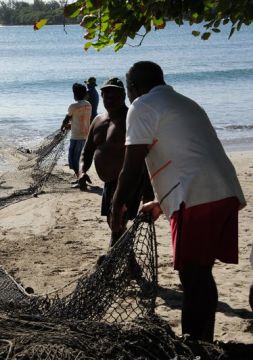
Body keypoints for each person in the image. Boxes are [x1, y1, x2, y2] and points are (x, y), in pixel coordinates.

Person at [110, 61, 246, 342]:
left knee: (193, 277)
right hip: (223, 191)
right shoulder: (185, 102)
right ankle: (202, 341)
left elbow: (132, 166)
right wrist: (160, 202)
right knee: (201, 274)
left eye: (128, 90)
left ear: (132, 88)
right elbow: (188, 154)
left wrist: (117, 204)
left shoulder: (141, 106)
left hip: (196, 197)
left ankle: (195, 344)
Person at [78, 77, 153, 246]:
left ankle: (111, 263)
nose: (110, 100)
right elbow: (87, 151)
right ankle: (130, 263)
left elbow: (146, 155)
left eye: (115, 96)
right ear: (102, 96)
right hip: (109, 183)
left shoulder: (131, 119)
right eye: (107, 96)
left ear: (124, 96)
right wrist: (82, 172)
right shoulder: (97, 121)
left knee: (116, 223)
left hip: (129, 182)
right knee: (113, 224)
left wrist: (148, 191)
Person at [60, 83, 91, 180]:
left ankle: (81, 178)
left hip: (76, 137)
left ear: (75, 95)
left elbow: (66, 119)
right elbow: (81, 119)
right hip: (86, 136)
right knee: (80, 158)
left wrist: (63, 126)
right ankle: (81, 177)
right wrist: (71, 125)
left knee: (73, 159)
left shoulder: (73, 106)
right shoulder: (88, 105)